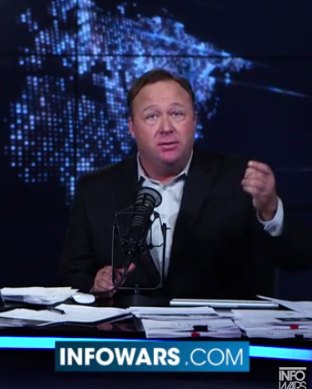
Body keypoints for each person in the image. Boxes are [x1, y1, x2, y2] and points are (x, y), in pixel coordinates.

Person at [58, 68, 310, 300]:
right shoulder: (96, 189)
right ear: (132, 127)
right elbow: (70, 278)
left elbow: (296, 259)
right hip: (129, 334)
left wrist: (270, 211)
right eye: (152, 116)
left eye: (177, 114)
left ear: (194, 120)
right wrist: (95, 283)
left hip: (217, 334)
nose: (166, 128)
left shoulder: (240, 180)